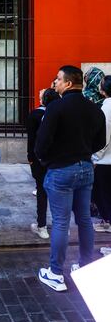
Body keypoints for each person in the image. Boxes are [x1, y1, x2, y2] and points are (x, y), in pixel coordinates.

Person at [35, 65, 106, 292]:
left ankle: (56, 273)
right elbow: (99, 141)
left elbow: (41, 143)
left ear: (67, 83)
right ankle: (85, 264)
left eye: (57, 79)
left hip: (61, 169)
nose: (54, 83)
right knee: (84, 219)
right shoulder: (95, 109)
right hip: (85, 167)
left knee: (61, 221)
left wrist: (48, 161)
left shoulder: (56, 108)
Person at [27, 88, 60, 240]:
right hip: (57, 159)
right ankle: (61, 226)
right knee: (58, 192)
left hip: (40, 159)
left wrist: (30, 156)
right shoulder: (61, 115)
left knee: (41, 192)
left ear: (43, 100)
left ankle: (42, 226)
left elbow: (31, 139)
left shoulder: (35, 115)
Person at [91, 76, 111, 233]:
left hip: (105, 160)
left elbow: (104, 137)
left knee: (102, 194)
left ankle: (108, 222)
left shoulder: (106, 109)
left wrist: (95, 158)